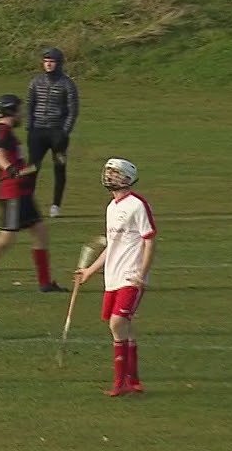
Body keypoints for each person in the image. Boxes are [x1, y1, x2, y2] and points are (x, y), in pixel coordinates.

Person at [0, 94, 65, 294]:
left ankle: (45, 283)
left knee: (40, 231)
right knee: (5, 238)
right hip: (13, 193)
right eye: (19, 110)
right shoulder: (3, 132)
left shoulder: (3, 131)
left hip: (21, 192)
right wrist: (9, 169)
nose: (21, 114)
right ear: (10, 111)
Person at [75, 158, 157, 397]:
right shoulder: (111, 208)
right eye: (108, 172)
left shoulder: (137, 205)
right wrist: (89, 271)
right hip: (113, 276)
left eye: (115, 173)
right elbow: (112, 245)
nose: (109, 176)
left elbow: (149, 240)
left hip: (131, 275)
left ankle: (120, 382)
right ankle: (133, 380)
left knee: (117, 323)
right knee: (124, 327)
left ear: (127, 178)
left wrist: (142, 274)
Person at [26, 47, 79, 218]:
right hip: (38, 132)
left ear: (59, 63)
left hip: (57, 133)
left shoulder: (67, 84)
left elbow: (73, 110)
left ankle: (56, 205)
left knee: (59, 167)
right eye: (46, 61)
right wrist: (30, 127)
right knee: (32, 167)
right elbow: (30, 105)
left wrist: (64, 131)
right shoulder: (36, 82)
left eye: (52, 61)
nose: (48, 64)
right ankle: (28, 202)